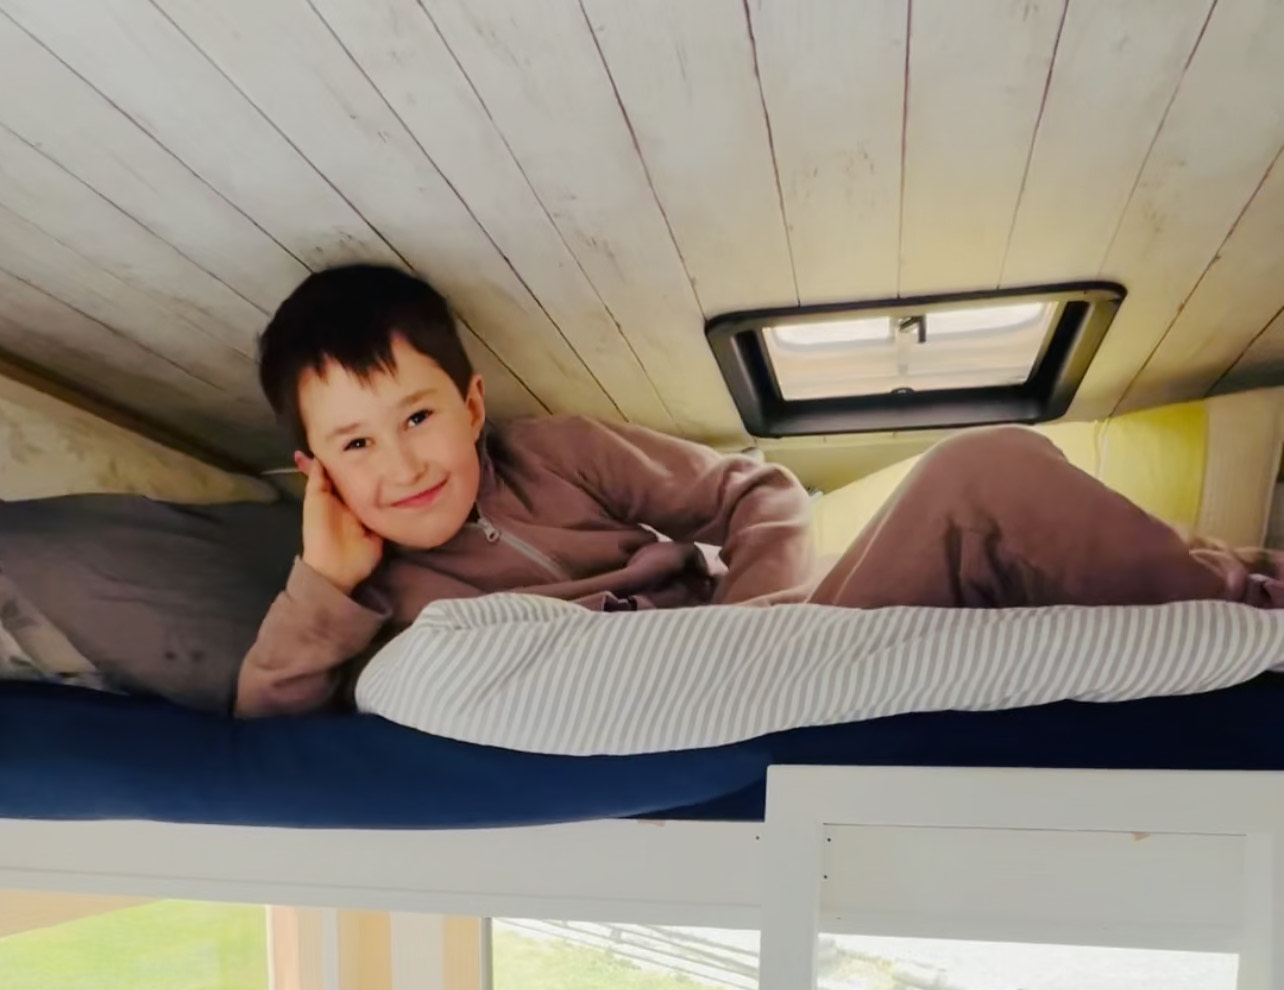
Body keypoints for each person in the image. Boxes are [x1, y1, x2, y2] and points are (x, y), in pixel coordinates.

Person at [236, 263, 1284, 718]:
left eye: (418, 418)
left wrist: (761, 623)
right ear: (318, 471)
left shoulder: (554, 452)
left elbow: (760, 489)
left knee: (985, 467)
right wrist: (325, 583)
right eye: (358, 445)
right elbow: (267, 733)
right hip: (668, 706)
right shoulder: (365, 599)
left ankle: (1244, 606)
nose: (404, 465)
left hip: (782, 640)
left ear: (468, 405)